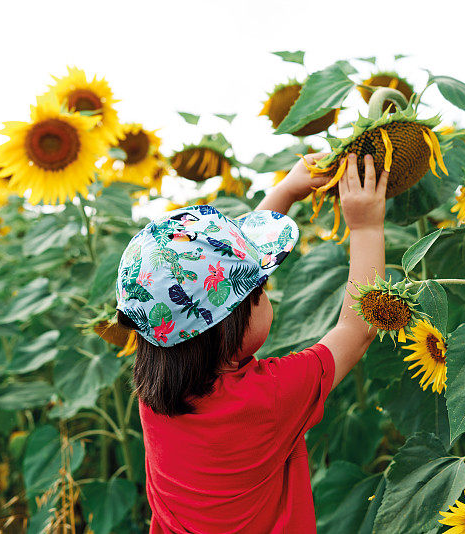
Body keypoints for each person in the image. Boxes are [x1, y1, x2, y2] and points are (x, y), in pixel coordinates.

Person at [115, 153, 388, 533]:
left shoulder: (156, 390)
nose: (267, 292)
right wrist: (366, 227)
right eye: (259, 289)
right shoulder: (268, 398)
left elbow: (217, 272)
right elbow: (358, 330)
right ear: (228, 328)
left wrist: (287, 191)